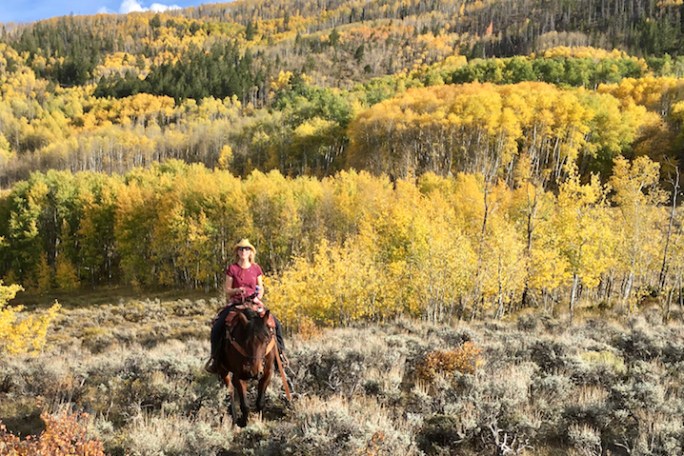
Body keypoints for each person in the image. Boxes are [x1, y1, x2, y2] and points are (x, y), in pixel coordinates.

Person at [205, 238, 286, 374]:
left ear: (250, 252)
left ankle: (280, 356)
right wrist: (237, 291)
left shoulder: (256, 268)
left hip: (253, 302)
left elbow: (261, 287)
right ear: (237, 252)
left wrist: (258, 296)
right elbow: (227, 289)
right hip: (237, 303)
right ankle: (216, 359)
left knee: (276, 324)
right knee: (217, 326)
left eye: (246, 249)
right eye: (241, 249)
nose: (244, 251)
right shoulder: (232, 268)